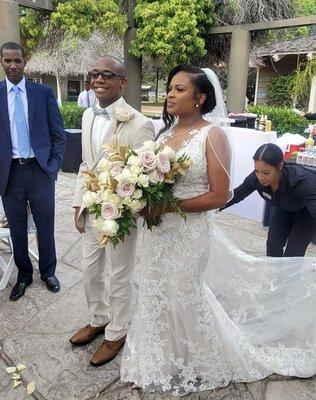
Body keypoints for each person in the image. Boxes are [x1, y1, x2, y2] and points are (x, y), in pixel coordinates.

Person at [120, 65, 316, 396]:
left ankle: (205, 359)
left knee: (186, 292)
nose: (170, 93)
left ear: (200, 98)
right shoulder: (162, 136)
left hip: (189, 232)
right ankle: (160, 357)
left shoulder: (213, 136)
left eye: (179, 89)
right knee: (154, 290)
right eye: (170, 87)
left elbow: (218, 194)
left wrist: (167, 207)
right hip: (156, 232)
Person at [70, 55, 155, 366]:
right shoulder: (88, 116)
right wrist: (78, 203)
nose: (99, 79)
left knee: (119, 275)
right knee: (89, 271)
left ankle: (116, 332)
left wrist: (127, 206)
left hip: (121, 214)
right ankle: (98, 318)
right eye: (95, 73)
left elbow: (144, 178)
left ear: (123, 82)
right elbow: (84, 165)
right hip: (92, 208)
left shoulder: (139, 122)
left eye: (108, 74)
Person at [0, 42, 66, 301]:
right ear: (2, 62)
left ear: (25, 61)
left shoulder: (42, 93)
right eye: (8, 61)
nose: (13, 65)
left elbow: (58, 134)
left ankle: (48, 272)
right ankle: (24, 275)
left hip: (40, 172)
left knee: (45, 225)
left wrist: (52, 165)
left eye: (17, 60)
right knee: (17, 228)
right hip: (10, 174)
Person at [222, 143, 316, 257]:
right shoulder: (256, 179)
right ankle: (275, 274)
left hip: (306, 211)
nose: (260, 177)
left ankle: (290, 275)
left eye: (266, 173)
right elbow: (237, 195)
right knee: (273, 245)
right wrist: (212, 208)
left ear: (280, 167)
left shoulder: (301, 182)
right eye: (257, 171)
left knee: (294, 252)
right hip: (284, 207)